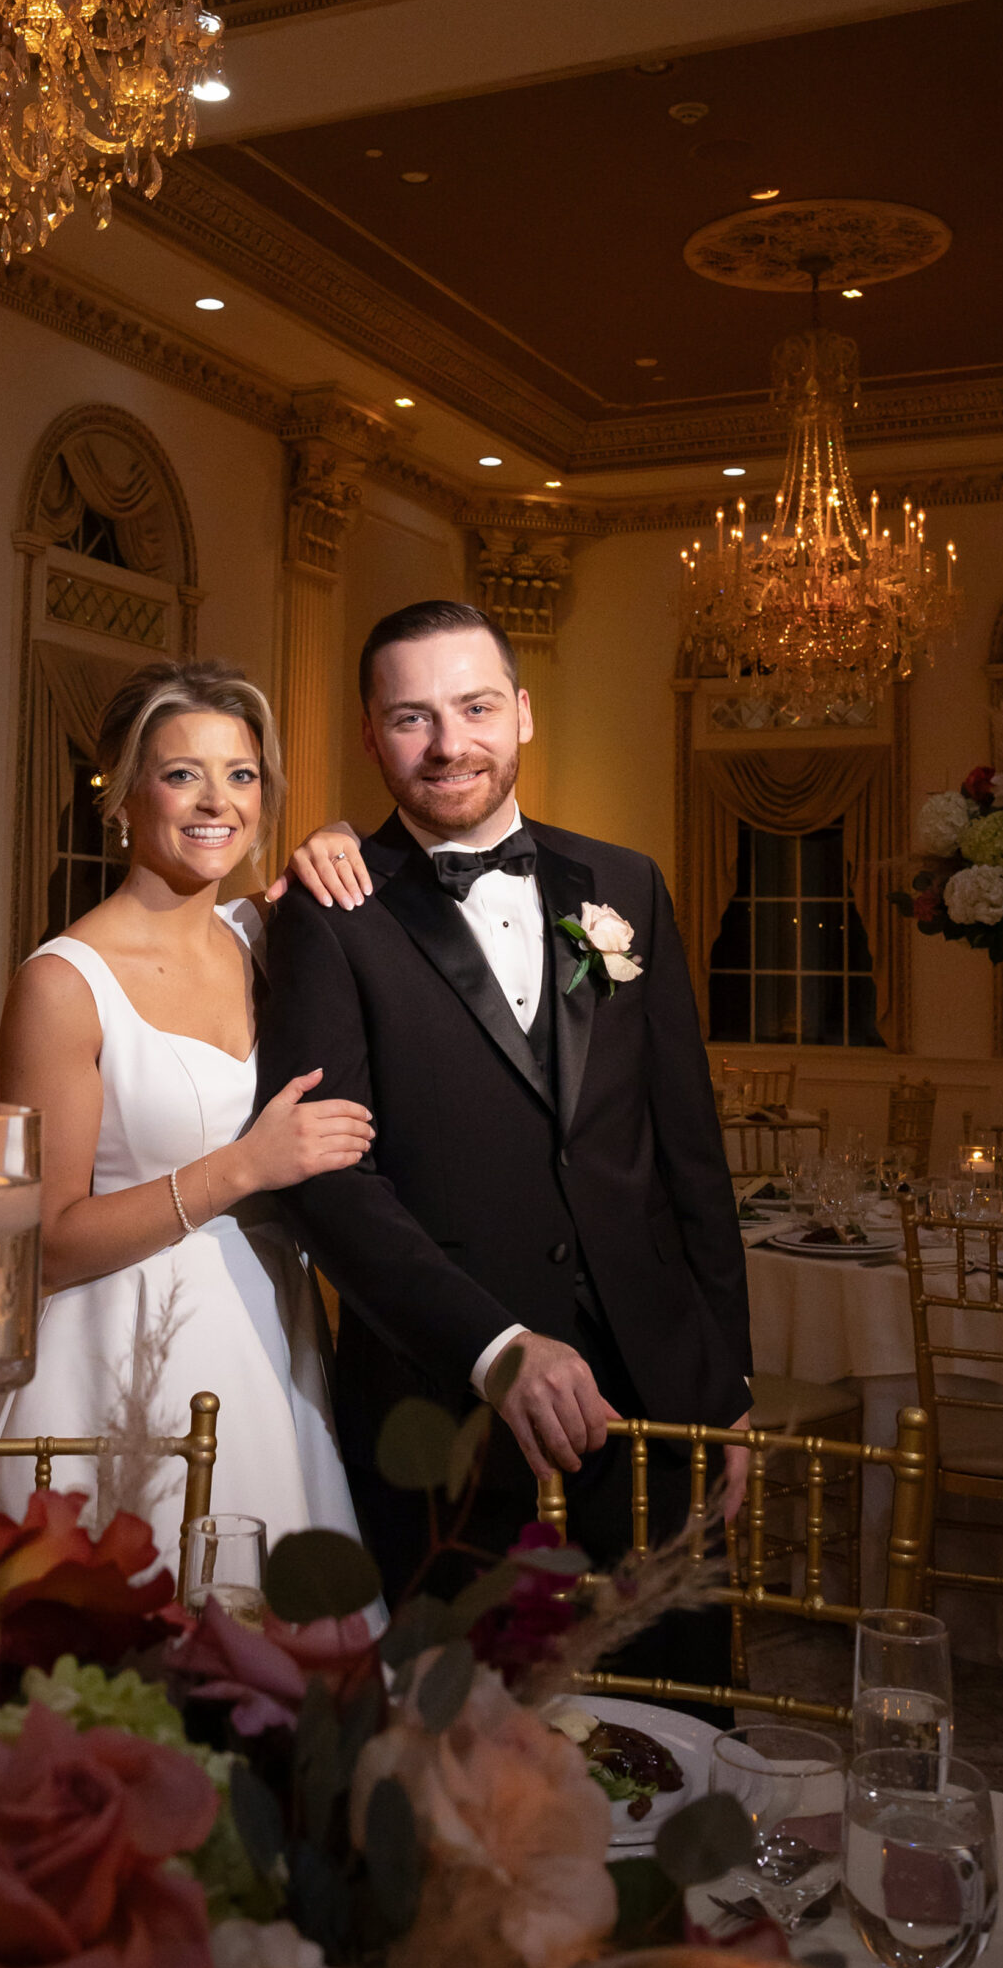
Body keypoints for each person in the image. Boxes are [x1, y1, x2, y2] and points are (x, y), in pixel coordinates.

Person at [258, 599, 751, 1695]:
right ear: (372, 734)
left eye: (476, 707)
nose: (449, 745)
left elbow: (689, 1152)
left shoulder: (627, 884)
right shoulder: (330, 912)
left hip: (658, 1396)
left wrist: (728, 1384)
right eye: (412, 718)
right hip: (447, 1408)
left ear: (523, 712)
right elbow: (328, 1177)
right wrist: (494, 1345)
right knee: (465, 1763)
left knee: (679, 1724)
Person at [0, 658, 373, 1568]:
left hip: (271, 1343)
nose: (217, 803)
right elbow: (41, 1243)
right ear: (124, 795)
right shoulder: (61, 985)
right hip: (121, 1357)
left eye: (240, 775)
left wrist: (338, 837)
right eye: (181, 774)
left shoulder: (263, 937)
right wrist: (241, 1169)